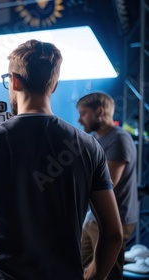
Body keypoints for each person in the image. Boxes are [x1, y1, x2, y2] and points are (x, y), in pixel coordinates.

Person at [0, 39, 123, 279]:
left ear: (15, 81)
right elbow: (113, 235)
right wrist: (92, 276)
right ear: (55, 86)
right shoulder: (88, 145)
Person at [77, 92, 138, 279]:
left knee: (107, 274)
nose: (80, 120)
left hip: (114, 221)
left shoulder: (119, 139)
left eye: (83, 113)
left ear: (99, 111)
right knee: (80, 270)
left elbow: (107, 182)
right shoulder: (97, 139)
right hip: (94, 217)